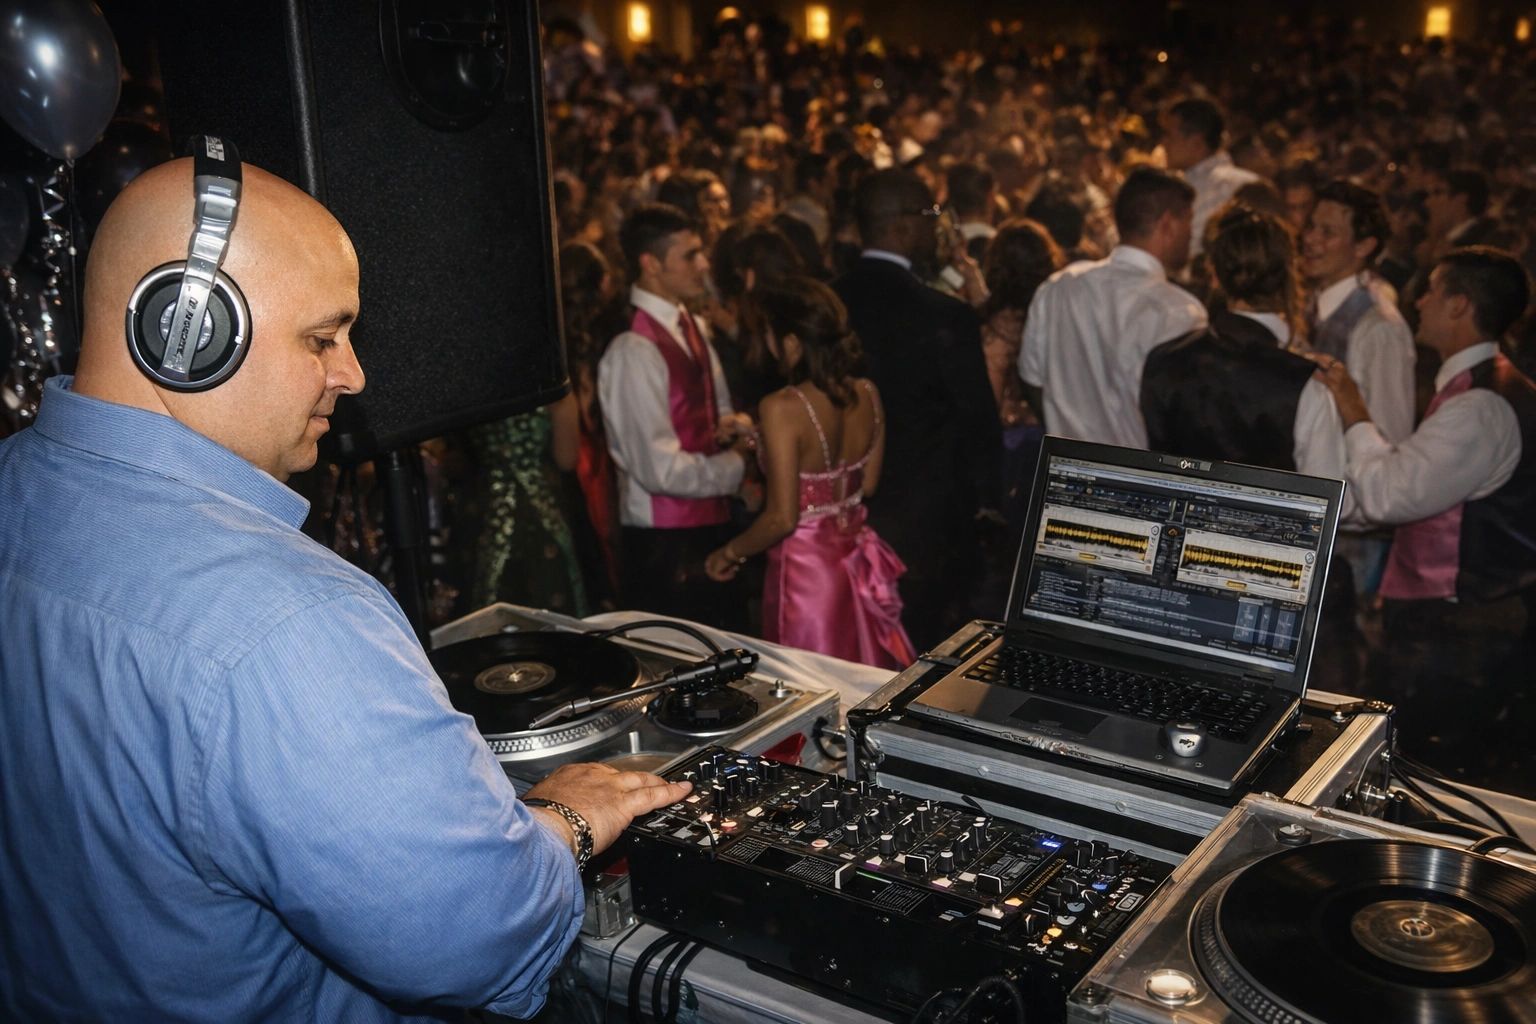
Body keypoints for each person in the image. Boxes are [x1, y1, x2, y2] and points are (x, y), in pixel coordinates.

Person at [0, 153, 690, 1021]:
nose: (353, 374)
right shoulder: (292, 622)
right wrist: (566, 819)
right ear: (187, 331)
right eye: (323, 337)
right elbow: (481, 939)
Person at [1312, 247, 1536, 786]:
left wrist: (1353, 410)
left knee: (1433, 773)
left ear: (1460, 305)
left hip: (1459, 627)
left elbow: (1391, 494)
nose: (1419, 300)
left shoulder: (1482, 406)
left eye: (1432, 290)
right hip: (1458, 622)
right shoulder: (1480, 390)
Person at [1141, 204, 1361, 691]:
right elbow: (1330, 514)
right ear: (1289, 276)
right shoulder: (1306, 384)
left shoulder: (1163, 360)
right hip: (1269, 597)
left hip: (1177, 583)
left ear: (1216, 273)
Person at [703, 278, 916, 669]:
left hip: (805, 574)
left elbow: (783, 518)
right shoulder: (868, 392)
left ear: (790, 342)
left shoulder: (780, 406)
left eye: (767, 334)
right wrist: (758, 437)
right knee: (860, 676)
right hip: (855, 564)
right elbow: (864, 485)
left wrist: (728, 553)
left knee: (807, 686)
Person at [833, 168, 1002, 650]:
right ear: (902, 225)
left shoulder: (829, 304)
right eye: (931, 213)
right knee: (930, 659)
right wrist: (988, 505)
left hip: (837, 520)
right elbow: (977, 420)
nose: (938, 225)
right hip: (929, 529)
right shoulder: (942, 314)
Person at [597, 202, 753, 630]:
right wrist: (737, 466)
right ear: (650, 264)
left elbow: (716, 410)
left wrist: (733, 428)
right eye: (690, 255)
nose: (704, 265)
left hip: (710, 527)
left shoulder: (693, 326)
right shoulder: (634, 350)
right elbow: (658, 470)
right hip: (664, 545)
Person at [1019, 166, 1207, 448]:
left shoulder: (1060, 286)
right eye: (1190, 223)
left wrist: (1065, 430)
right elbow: (1185, 418)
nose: (1193, 236)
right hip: (1139, 481)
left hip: (1064, 473)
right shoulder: (1180, 312)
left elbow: (1032, 379)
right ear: (1168, 224)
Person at [1160, 97, 1259, 259]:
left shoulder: (1223, 186)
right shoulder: (1248, 181)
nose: (1164, 143)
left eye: (1169, 135)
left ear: (1196, 143)